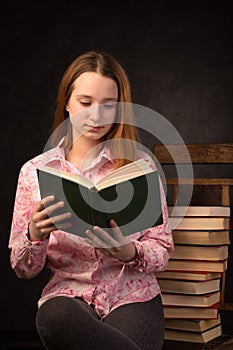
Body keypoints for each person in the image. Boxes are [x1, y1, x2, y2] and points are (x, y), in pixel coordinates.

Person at [9, 50, 174, 350]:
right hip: (67, 299)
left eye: (108, 105)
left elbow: (162, 251)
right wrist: (34, 234)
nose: (96, 116)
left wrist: (129, 251)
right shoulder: (34, 172)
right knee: (55, 317)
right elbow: (23, 269)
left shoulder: (140, 167)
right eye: (86, 103)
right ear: (67, 103)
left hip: (131, 294)